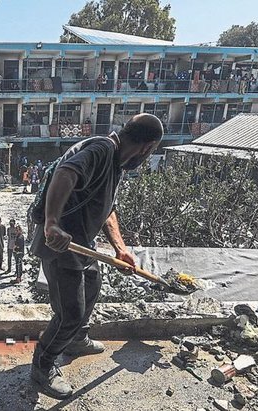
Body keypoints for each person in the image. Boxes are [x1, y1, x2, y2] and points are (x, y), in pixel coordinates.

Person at [29, 113, 163, 399]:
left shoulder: (116, 163)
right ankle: (43, 365)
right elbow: (66, 173)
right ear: (146, 147)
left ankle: (76, 340)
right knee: (70, 313)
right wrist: (52, 222)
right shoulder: (102, 150)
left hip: (84, 245)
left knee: (92, 288)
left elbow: (107, 209)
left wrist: (120, 248)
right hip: (60, 245)